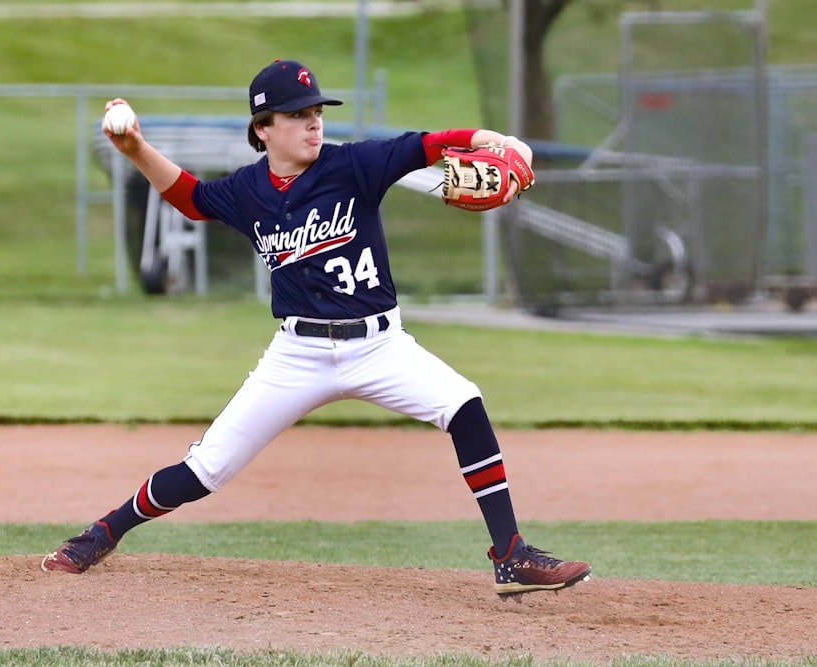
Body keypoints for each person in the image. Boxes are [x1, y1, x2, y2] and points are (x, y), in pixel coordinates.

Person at [41, 59, 591, 596]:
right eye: (298, 113)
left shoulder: (354, 165)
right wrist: (134, 148)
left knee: (465, 405)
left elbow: (429, 142)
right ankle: (103, 532)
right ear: (263, 129)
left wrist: (494, 139)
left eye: (317, 111)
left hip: (380, 345)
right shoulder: (248, 190)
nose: (314, 122)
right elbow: (190, 198)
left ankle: (510, 554)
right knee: (206, 469)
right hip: (296, 355)